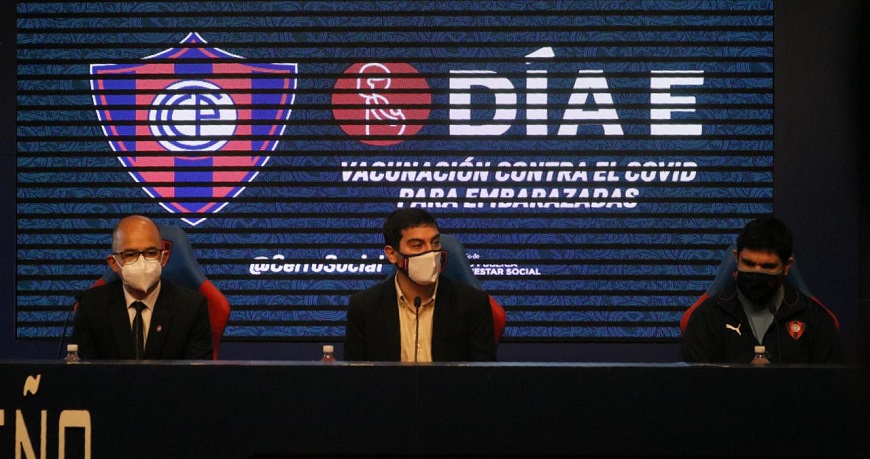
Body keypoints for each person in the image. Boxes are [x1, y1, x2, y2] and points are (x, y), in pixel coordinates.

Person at [681, 216, 842, 363]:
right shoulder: (707, 318)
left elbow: (830, 389)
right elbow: (697, 388)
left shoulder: (815, 320)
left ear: (787, 267)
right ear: (736, 258)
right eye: (749, 264)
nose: (757, 273)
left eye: (768, 266)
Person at [344, 209, 496, 362]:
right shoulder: (364, 306)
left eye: (435, 243)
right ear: (392, 254)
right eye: (417, 245)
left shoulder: (473, 303)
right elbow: (356, 378)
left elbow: (483, 378)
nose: (430, 252)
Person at [72, 215, 213, 360]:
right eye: (131, 254)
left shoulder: (192, 307)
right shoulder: (91, 306)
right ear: (113, 263)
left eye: (151, 253)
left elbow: (197, 378)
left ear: (163, 258)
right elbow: (83, 376)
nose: (142, 261)